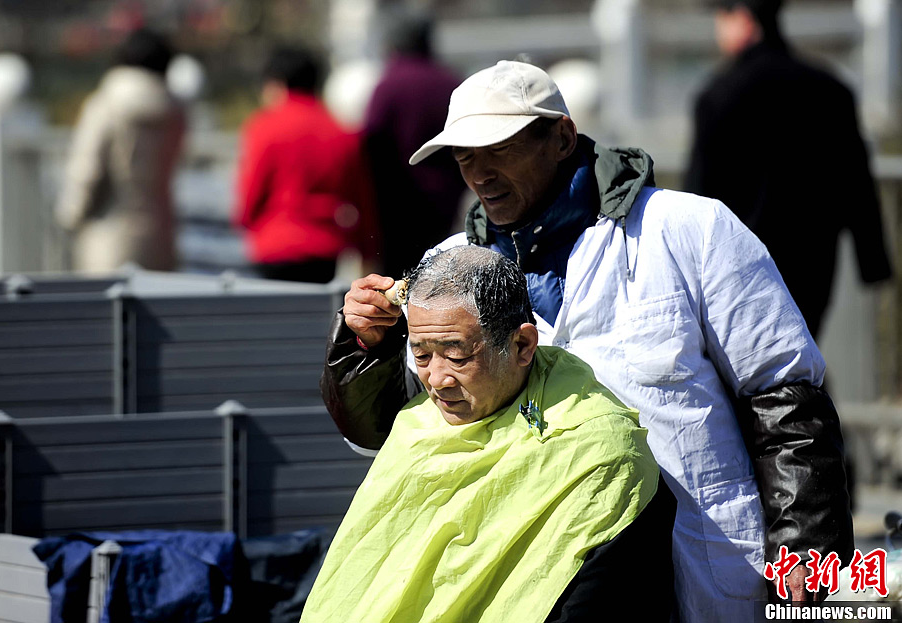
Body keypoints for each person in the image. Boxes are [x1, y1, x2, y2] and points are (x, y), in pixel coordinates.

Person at [321, 60, 854, 620]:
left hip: (709, 564)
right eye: (464, 157)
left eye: (497, 149)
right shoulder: (448, 272)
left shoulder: (690, 231)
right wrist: (364, 348)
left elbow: (784, 397)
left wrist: (806, 554)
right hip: (547, 585)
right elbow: (392, 432)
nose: (479, 175)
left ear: (562, 138)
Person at [306, 246, 675, 622]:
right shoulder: (419, 421)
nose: (436, 379)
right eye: (420, 355)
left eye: (457, 355)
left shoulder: (599, 453)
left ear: (522, 345)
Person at [685, 0, 892, 338]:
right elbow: (857, 182)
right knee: (804, 348)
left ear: (745, 19)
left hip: (739, 260)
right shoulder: (831, 88)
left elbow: (699, 193)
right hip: (815, 255)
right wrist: (873, 262)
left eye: (723, 16)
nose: (719, 27)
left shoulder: (718, 94)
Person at [234, 46, 376, 283]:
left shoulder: (263, 127)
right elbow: (362, 199)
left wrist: (245, 222)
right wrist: (367, 250)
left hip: (273, 246)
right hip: (325, 248)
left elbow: (250, 195)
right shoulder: (341, 131)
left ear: (276, 83)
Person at [56, 28, 186, 273]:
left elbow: (87, 168)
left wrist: (70, 215)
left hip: (108, 234)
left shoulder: (106, 105)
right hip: (161, 234)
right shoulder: (176, 110)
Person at [363, 8, 466, 277]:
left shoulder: (388, 86)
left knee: (395, 287)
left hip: (395, 206)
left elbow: (371, 146)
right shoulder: (452, 83)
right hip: (445, 202)